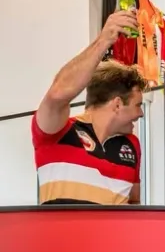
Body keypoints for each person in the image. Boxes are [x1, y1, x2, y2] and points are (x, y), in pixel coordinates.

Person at [33, 11, 148, 205]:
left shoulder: (132, 145)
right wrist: (103, 41)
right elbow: (57, 94)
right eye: (138, 105)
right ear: (117, 104)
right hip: (61, 236)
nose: (141, 113)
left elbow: (133, 204)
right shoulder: (58, 131)